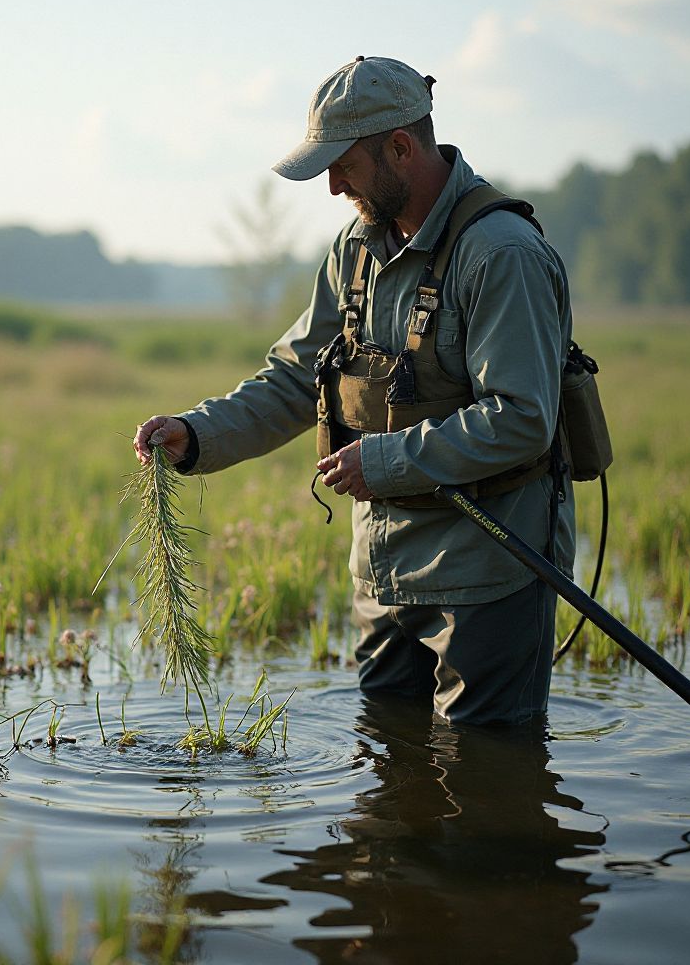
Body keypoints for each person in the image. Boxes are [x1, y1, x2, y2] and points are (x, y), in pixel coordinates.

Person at [135, 55, 576, 725]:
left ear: (401, 148)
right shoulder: (355, 250)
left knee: (484, 778)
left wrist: (382, 461)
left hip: (490, 569)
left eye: (344, 165)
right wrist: (196, 433)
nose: (333, 187)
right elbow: (295, 378)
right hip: (382, 569)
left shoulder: (502, 254)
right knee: (387, 764)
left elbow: (520, 419)